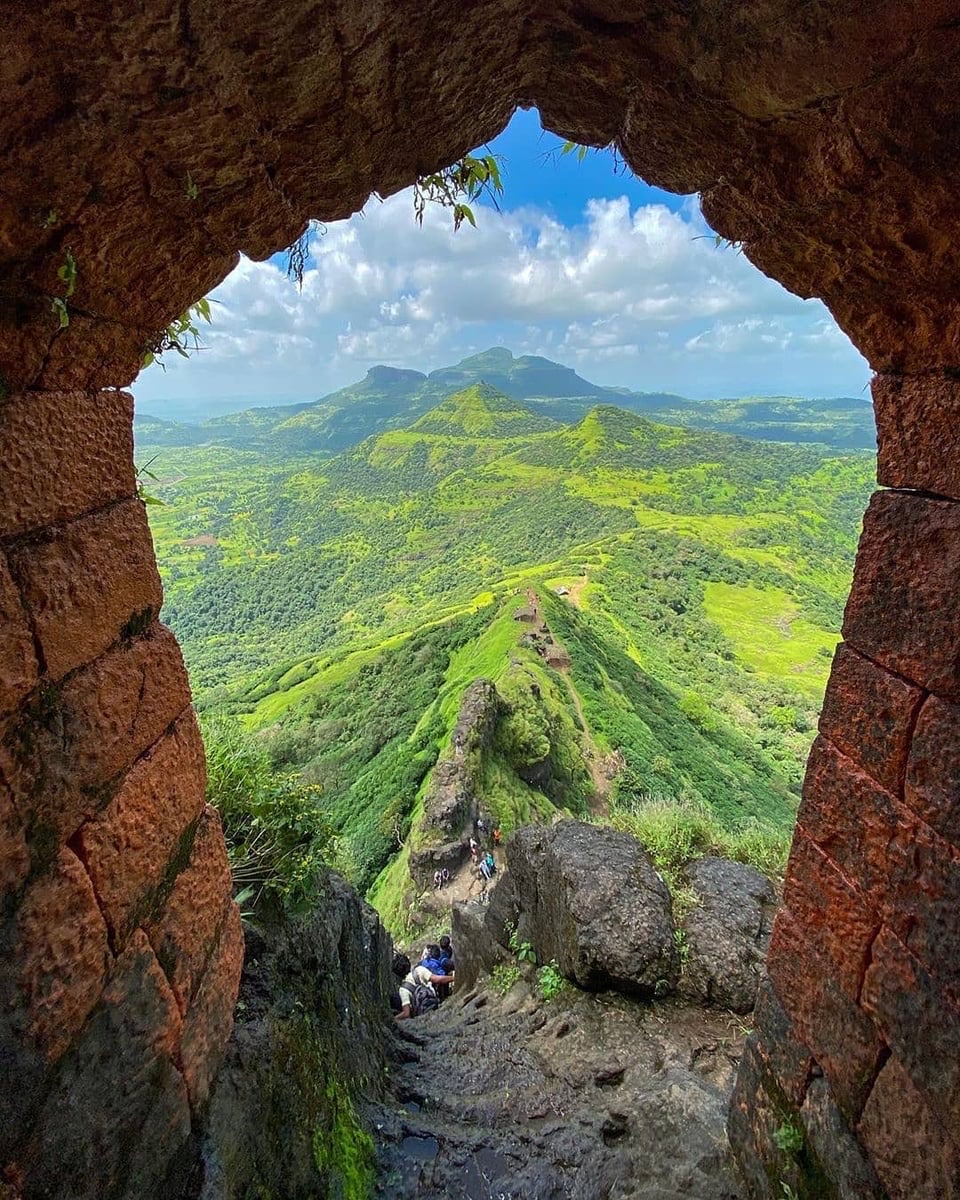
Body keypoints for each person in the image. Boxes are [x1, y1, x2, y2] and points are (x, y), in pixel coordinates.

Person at [392, 951, 454, 1020]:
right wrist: (454, 978)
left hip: (421, 1016)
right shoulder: (419, 970)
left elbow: (406, 1013)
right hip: (433, 1005)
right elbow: (438, 979)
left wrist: (393, 1019)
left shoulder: (403, 990)